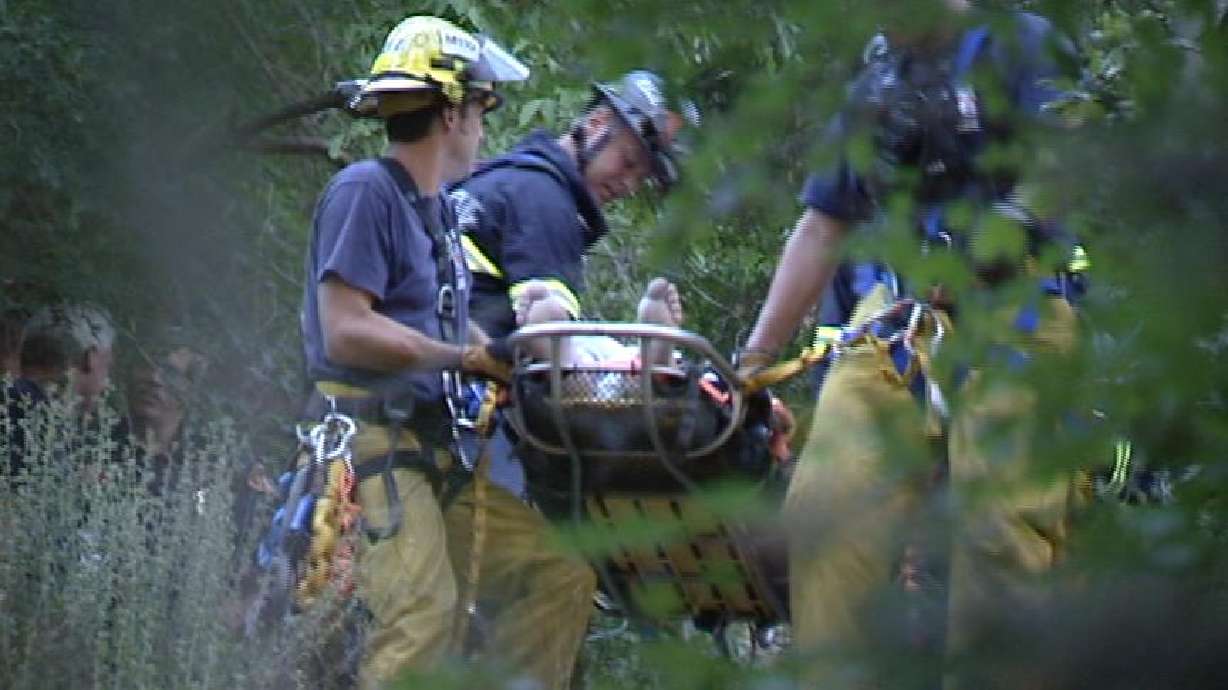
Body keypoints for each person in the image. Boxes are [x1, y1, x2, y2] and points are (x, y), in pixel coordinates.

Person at [737, 1, 1085, 687]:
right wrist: (752, 363)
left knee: (998, 535)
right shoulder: (874, 82)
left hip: (1019, 302)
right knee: (824, 509)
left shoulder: (1022, 43)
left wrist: (1006, 228)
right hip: (900, 313)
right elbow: (822, 225)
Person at [441, 71, 693, 689]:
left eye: (640, 178)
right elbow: (551, 359)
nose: (627, 185)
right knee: (562, 573)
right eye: (629, 163)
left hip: (422, 426)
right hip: (456, 439)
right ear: (597, 125)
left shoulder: (494, 183)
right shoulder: (545, 199)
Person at [298, 15, 527, 688]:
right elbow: (344, 328)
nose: (485, 124)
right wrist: (459, 360)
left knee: (549, 572)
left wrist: (511, 355)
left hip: (427, 449)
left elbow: (446, 326)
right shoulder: (367, 191)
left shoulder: (436, 210)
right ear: (452, 110)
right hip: (371, 442)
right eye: (483, 106)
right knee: (421, 614)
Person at [5, 304, 117, 476]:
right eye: (108, 366)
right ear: (91, 358)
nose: (106, 382)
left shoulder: (13, 403)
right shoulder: (33, 420)